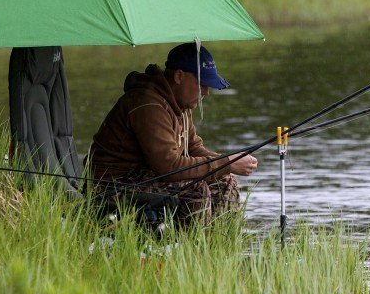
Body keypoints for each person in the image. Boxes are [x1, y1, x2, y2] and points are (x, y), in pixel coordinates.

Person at [87, 42, 258, 226]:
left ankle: (218, 247)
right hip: (112, 185)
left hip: (145, 176)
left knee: (224, 182)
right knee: (196, 190)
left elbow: (193, 148)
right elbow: (169, 166)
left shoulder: (180, 103)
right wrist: (226, 163)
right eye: (202, 85)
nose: (206, 93)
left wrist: (228, 162)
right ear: (179, 76)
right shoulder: (148, 105)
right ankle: (186, 250)